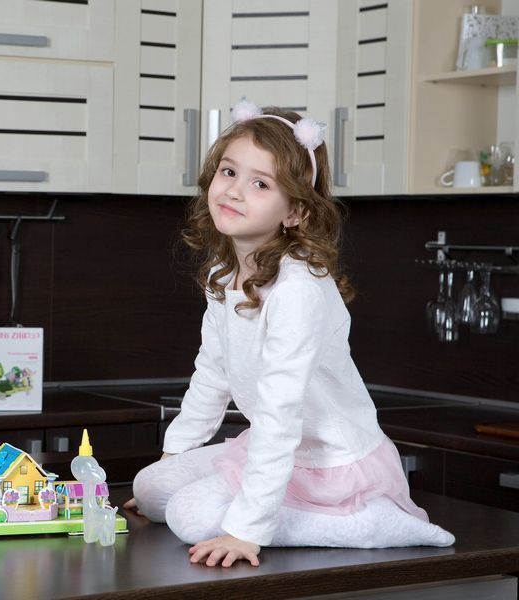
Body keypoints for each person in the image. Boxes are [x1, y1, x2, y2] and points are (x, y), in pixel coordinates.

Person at [123, 100, 453, 568]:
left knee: (188, 517)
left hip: (328, 460)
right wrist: (173, 459)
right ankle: (231, 504)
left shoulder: (297, 289)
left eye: (260, 183)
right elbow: (212, 373)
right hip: (277, 448)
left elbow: (280, 415)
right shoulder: (224, 272)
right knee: (151, 489)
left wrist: (246, 532)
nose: (234, 190)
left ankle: (371, 522)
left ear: (295, 211)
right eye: (229, 172)